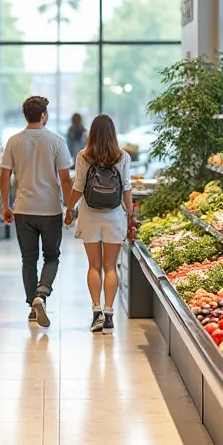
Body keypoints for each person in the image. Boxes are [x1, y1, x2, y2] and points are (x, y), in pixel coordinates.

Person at [0, 95, 73, 328]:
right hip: (50, 209)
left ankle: (33, 304)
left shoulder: (13, 141)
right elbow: (65, 178)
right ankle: (42, 293)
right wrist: (70, 207)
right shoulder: (57, 141)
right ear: (43, 115)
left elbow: (4, 175)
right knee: (51, 256)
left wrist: (5, 204)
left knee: (28, 259)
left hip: (23, 209)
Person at [64, 114, 135, 333]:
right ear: (112, 133)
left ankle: (96, 312)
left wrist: (69, 209)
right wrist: (130, 215)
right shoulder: (122, 156)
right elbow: (126, 188)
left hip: (90, 214)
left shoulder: (84, 156)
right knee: (111, 267)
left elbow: (78, 186)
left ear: (92, 132)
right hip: (114, 215)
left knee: (94, 266)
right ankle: (109, 313)